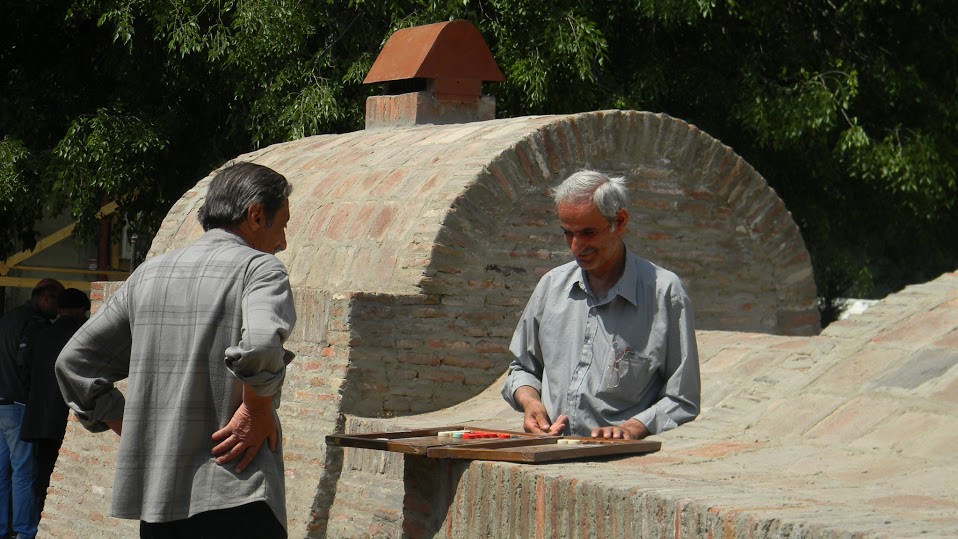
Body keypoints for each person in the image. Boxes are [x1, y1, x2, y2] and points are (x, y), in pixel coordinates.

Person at [56, 161, 297, 539]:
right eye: (282, 224)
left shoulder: (147, 275)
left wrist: (128, 426)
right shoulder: (260, 269)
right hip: (236, 492)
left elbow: (74, 363)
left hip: (160, 505)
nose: (282, 241)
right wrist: (255, 408)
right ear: (255, 216)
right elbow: (263, 342)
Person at [501, 169, 700, 440]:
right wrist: (530, 402)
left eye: (588, 233)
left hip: (619, 461)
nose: (576, 247)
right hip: (551, 453)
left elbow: (682, 398)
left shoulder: (665, 294)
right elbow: (522, 368)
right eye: (568, 233)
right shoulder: (551, 286)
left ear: (619, 222)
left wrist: (632, 428)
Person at [0, 278, 63, 539]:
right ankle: (25, 532)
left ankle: (2, 528)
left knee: (2, 472)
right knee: (24, 472)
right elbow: (27, 363)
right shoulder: (35, 325)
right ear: (46, 298)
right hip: (18, 404)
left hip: (1, 402)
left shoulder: (9, 318)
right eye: (57, 303)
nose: (58, 310)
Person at [20, 288, 91, 517]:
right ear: (80, 310)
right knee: (63, 475)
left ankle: (38, 517)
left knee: (41, 471)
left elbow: (26, 370)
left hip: (38, 415)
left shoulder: (42, 334)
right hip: (64, 416)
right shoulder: (80, 336)